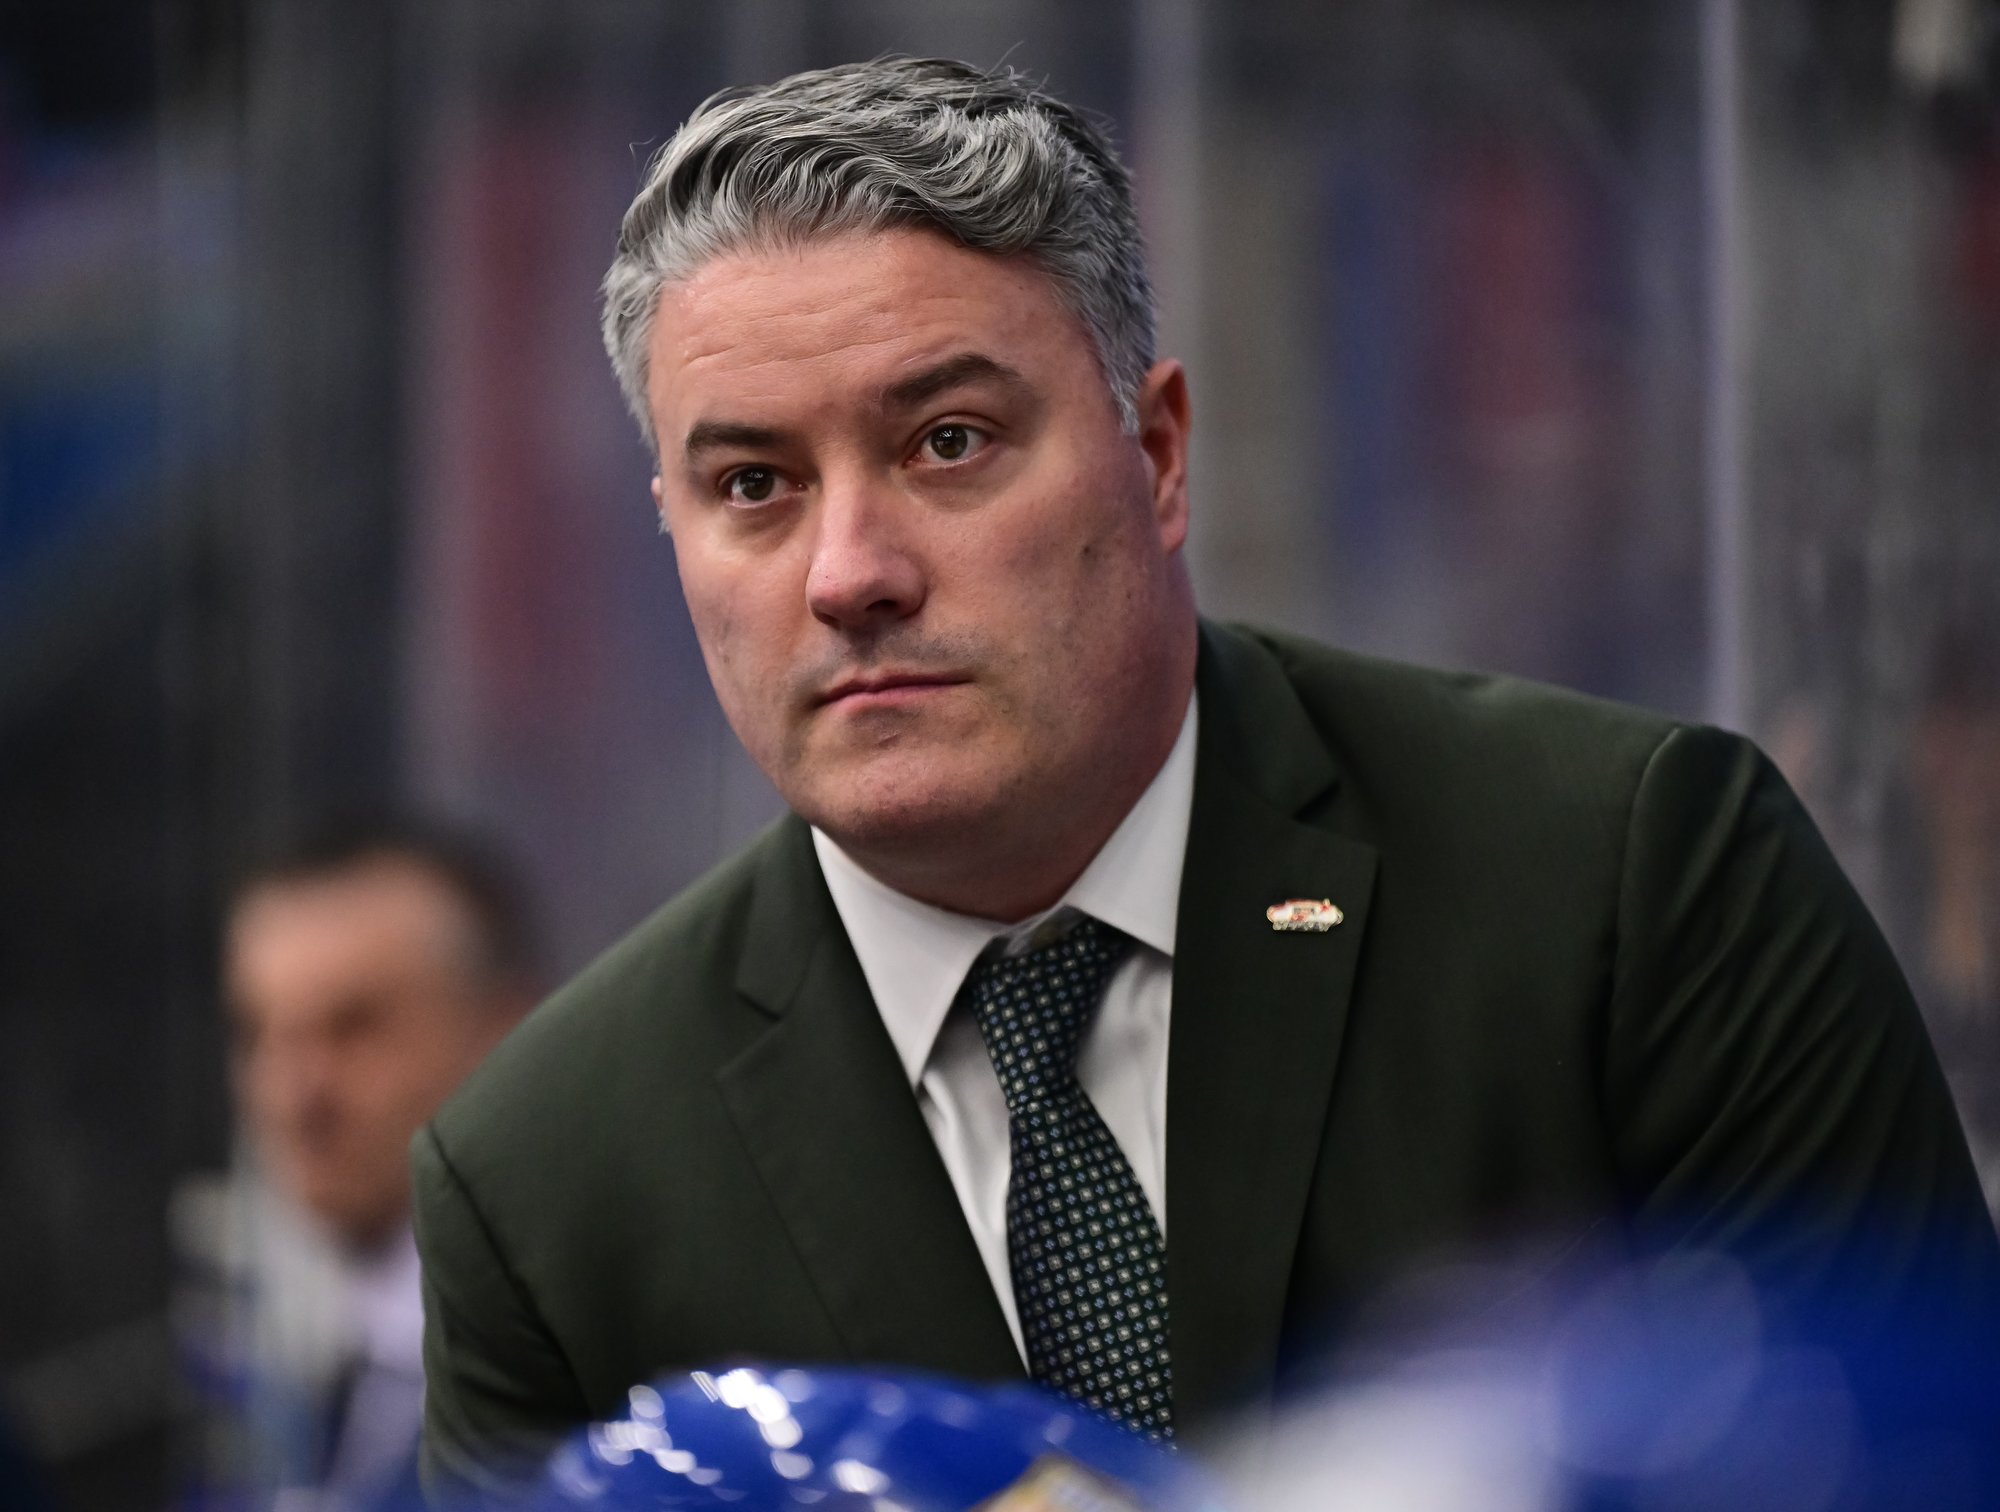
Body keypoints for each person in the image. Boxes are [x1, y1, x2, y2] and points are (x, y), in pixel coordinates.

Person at [411, 56, 2000, 1500]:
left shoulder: (1634, 884)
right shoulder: (548, 1184)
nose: (850, 573)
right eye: (754, 483)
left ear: (1159, 453)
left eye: (949, 442)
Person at [182, 822, 536, 1511]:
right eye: (258, 1032)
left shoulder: (586, 1378)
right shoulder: (288, 1376)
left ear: (507, 1028)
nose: (292, 1094)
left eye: (353, 1026)